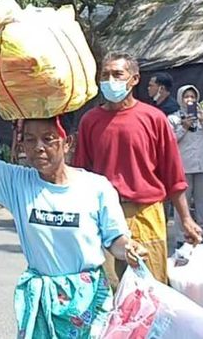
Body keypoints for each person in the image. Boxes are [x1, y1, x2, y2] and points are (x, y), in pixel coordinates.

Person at [0, 77, 147, 337]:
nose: (39, 148)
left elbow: (114, 239)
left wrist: (129, 248)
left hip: (89, 300)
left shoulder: (96, 187)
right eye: (30, 140)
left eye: (48, 139)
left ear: (67, 142)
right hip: (42, 303)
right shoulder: (17, 182)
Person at [73, 52, 202, 284]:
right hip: (104, 217)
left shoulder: (154, 119)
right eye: (105, 75)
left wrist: (185, 219)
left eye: (117, 74)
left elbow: (173, 175)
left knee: (150, 290)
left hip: (147, 214)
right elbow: (81, 176)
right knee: (108, 292)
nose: (110, 80)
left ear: (134, 79)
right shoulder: (90, 121)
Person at [168, 84, 203, 233]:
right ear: (180, 98)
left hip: (201, 167)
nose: (190, 100)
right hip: (183, 168)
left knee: (201, 203)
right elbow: (169, 142)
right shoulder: (173, 118)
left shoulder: (201, 117)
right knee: (183, 204)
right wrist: (184, 127)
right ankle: (181, 238)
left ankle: (200, 233)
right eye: (186, 96)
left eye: (193, 97)